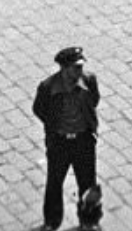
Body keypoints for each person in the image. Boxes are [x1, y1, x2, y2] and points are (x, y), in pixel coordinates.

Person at [33, 46, 101, 231]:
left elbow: (94, 100)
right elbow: (39, 109)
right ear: (64, 68)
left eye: (80, 67)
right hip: (60, 143)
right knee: (54, 183)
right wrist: (55, 128)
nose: (79, 71)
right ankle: (51, 222)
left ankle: (89, 221)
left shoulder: (89, 81)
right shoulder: (48, 87)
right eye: (75, 68)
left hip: (83, 141)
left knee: (88, 184)